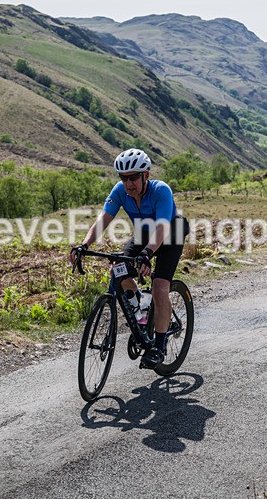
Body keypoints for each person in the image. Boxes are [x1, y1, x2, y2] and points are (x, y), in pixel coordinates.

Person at [70, 148, 190, 369]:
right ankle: (141, 311)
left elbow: (162, 227)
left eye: (133, 177)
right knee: (119, 270)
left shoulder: (161, 190)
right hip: (144, 234)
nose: (128, 183)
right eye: (123, 178)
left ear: (146, 175)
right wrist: (84, 245)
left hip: (170, 234)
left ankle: (159, 347)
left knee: (159, 286)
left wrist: (147, 254)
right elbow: (103, 219)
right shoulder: (120, 191)